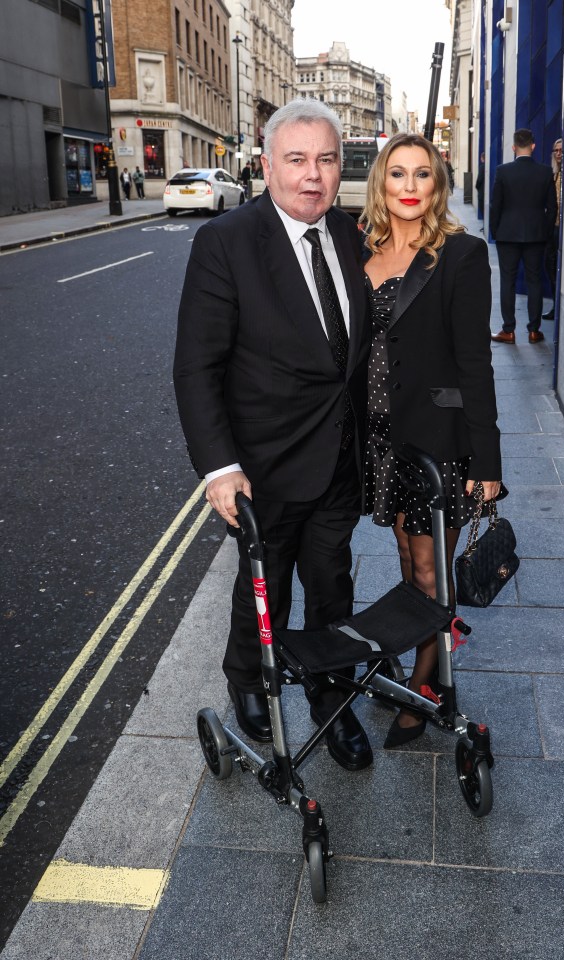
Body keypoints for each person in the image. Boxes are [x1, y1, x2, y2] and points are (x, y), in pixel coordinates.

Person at [173, 99, 373, 771]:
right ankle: (250, 679)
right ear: (266, 165)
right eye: (295, 160)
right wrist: (219, 468)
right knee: (266, 583)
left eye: (324, 160)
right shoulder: (226, 242)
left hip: (340, 458)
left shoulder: (347, 234)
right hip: (263, 467)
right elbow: (196, 366)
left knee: (333, 584)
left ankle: (330, 694)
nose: (311, 176)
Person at [360, 132, 502, 748]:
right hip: (381, 437)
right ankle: (426, 661)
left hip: (437, 441)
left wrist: (487, 460)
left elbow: (476, 363)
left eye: (423, 175)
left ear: (438, 186)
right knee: (406, 562)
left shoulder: (461, 256)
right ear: (381, 184)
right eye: (398, 175)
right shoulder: (361, 251)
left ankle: (428, 685)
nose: (410, 187)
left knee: (428, 570)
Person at [489, 128, 557, 344]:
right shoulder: (545, 172)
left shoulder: (503, 171)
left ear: (513, 147)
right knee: (534, 281)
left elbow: (496, 205)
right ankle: (534, 331)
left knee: (507, 281)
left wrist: (495, 231)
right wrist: (544, 231)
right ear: (533, 146)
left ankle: (508, 330)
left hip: (507, 235)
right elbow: (552, 208)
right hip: (536, 236)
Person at [542, 138, 563, 320]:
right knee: (550, 268)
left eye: (561, 150)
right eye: (555, 150)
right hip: (553, 229)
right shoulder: (553, 176)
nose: (558, 154)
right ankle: (556, 306)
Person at [475, 152, 485, 223]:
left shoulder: (482, 167)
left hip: (482, 191)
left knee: (482, 207)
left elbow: (479, 179)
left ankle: (485, 223)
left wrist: (477, 186)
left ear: (482, 158)